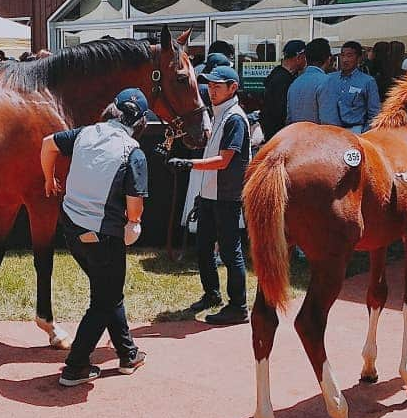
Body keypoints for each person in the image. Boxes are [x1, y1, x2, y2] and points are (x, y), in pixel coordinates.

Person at [41, 88, 150, 387]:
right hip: (102, 235)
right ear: (140, 121)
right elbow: (134, 201)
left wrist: (48, 178)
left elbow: (47, 144)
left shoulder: (86, 133)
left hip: (72, 228)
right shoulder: (133, 150)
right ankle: (75, 366)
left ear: (111, 109)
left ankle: (128, 354)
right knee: (104, 301)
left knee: (108, 292)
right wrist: (135, 222)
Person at [168, 65, 251, 324]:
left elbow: (224, 160)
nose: (211, 91)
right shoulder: (219, 114)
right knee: (203, 248)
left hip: (226, 196)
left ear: (232, 88)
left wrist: (189, 164)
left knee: (230, 251)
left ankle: (238, 306)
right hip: (210, 195)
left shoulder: (234, 118)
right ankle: (212, 294)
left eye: (217, 86)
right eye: (210, 86)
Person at [320, 40, 381, 132]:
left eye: (349, 56)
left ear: (359, 58)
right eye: (342, 55)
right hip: (331, 130)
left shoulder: (367, 81)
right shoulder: (330, 78)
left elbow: (374, 113)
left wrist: (364, 132)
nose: (345, 60)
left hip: (355, 129)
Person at [260, 39, 306, 141]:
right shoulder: (284, 80)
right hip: (280, 136)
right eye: (305, 58)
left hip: (272, 134)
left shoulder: (276, 75)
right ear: (299, 57)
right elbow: (282, 111)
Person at [286, 37, 333, 124]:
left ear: (306, 59)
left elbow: (289, 119)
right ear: (328, 59)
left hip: (296, 135)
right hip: (318, 136)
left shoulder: (295, 83)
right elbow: (329, 121)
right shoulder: (327, 82)